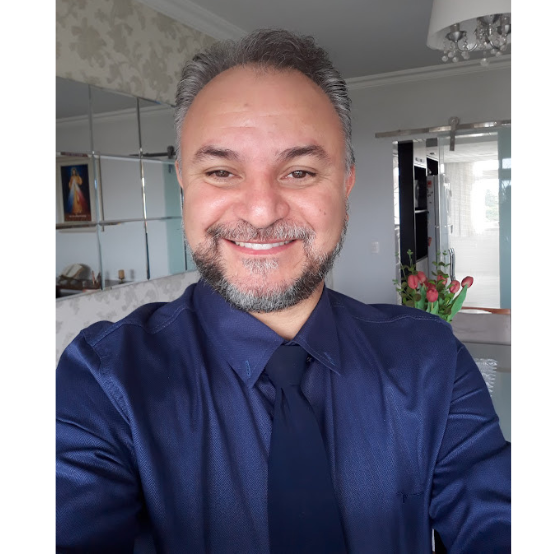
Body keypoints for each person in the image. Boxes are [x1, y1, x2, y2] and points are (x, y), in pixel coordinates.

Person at [56, 29, 510, 553]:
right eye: (221, 171)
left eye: (299, 171)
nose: (261, 211)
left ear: (346, 183)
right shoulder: (105, 381)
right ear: (184, 182)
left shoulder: (430, 357)